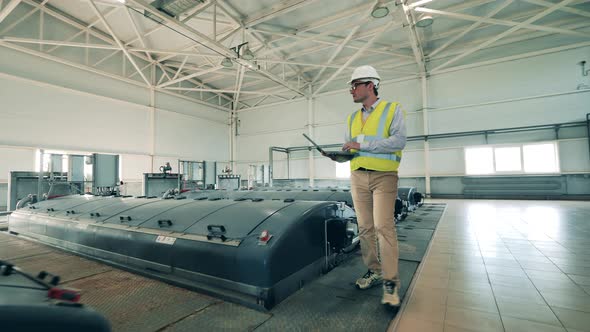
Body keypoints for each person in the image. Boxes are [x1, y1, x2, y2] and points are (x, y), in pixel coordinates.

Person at [342, 65, 406, 307]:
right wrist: (340, 154)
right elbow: (352, 147)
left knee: (383, 227)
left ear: (370, 85)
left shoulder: (393, 110)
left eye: (355, 85)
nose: (352, 90)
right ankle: (374, 270)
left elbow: (398, 141)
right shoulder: (351, 118)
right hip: (358, 175)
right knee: (365, 228)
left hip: (384, 176)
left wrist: (362, 146)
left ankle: (391, 283)